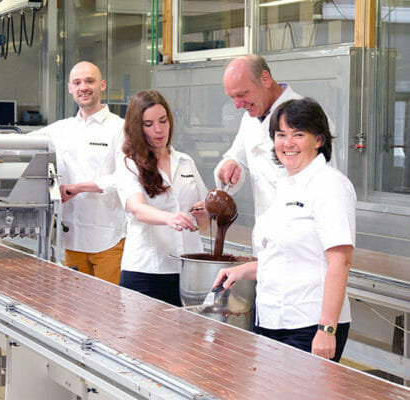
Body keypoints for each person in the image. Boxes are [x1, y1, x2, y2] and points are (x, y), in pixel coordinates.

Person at [213, 98, 356, 362]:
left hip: (308, 324)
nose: (287, 143)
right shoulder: (284, 186)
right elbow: (284, 257)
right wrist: (242, 270)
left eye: (298, 134)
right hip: (270, 319)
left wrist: (326, 329)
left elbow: (340, 261)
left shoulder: (330, 185)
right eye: (281, 135)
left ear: (319, 140)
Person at [32, 61, 125, 284]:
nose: (83, 86)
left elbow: (124, 178)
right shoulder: (62, 130)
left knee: (111, 309)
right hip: (72, 239)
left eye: (89, 81)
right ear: (70, 88)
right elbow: (21, 144)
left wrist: (78, 188)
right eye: (77, 82)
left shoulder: (120, 128)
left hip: (110, 239)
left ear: (102, 85)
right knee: (75, 309)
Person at [215, 55, 336, 222]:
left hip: (301, 229)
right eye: (232, 97)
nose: (237, 105)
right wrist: (231, 165)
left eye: (242, 94)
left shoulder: (309, 117)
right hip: (265, 226)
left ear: (265, 79)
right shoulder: (249, 119)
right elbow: (238, 158)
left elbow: (324, 186)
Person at [116, 90, 209, 306]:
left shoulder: (186, 162)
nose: (158, 130)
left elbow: (203, 224)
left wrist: (204, 214)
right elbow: (137, 208)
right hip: (146, 271)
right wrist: (169, 218)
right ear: (136, 128)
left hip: (189, 273)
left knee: (189, 338)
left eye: (163, 121)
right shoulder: (129, 164)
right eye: (148, 124)